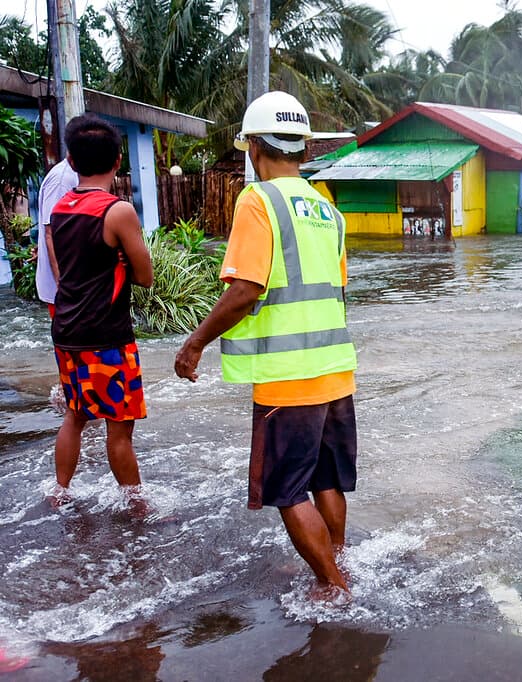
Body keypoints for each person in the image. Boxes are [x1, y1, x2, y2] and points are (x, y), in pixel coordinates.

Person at [174, 91, 357, 595]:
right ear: (304, 147)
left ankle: (333, 585)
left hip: (288, 376)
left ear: (254, 147)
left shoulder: (258, 201)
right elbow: (337, 290)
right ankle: (339, 561)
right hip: (335, 369)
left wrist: (195, 343)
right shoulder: (328, 210)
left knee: (288, 490)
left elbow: (246, 289)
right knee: (326, 479)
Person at [49, 114, 154, 503]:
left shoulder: (61, 208)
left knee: (75, 415)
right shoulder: (117, 211)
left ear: (71, 161)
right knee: (119, 428)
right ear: (118, 161)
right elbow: (145, 276)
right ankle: (136, 504)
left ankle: (60, 491)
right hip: (106, 335)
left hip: (67, 330)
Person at [36, 157, 79, 315]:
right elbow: (52, 233)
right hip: (66, 288)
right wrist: (64, 287)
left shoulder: (75, 174)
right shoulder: (62, 179)